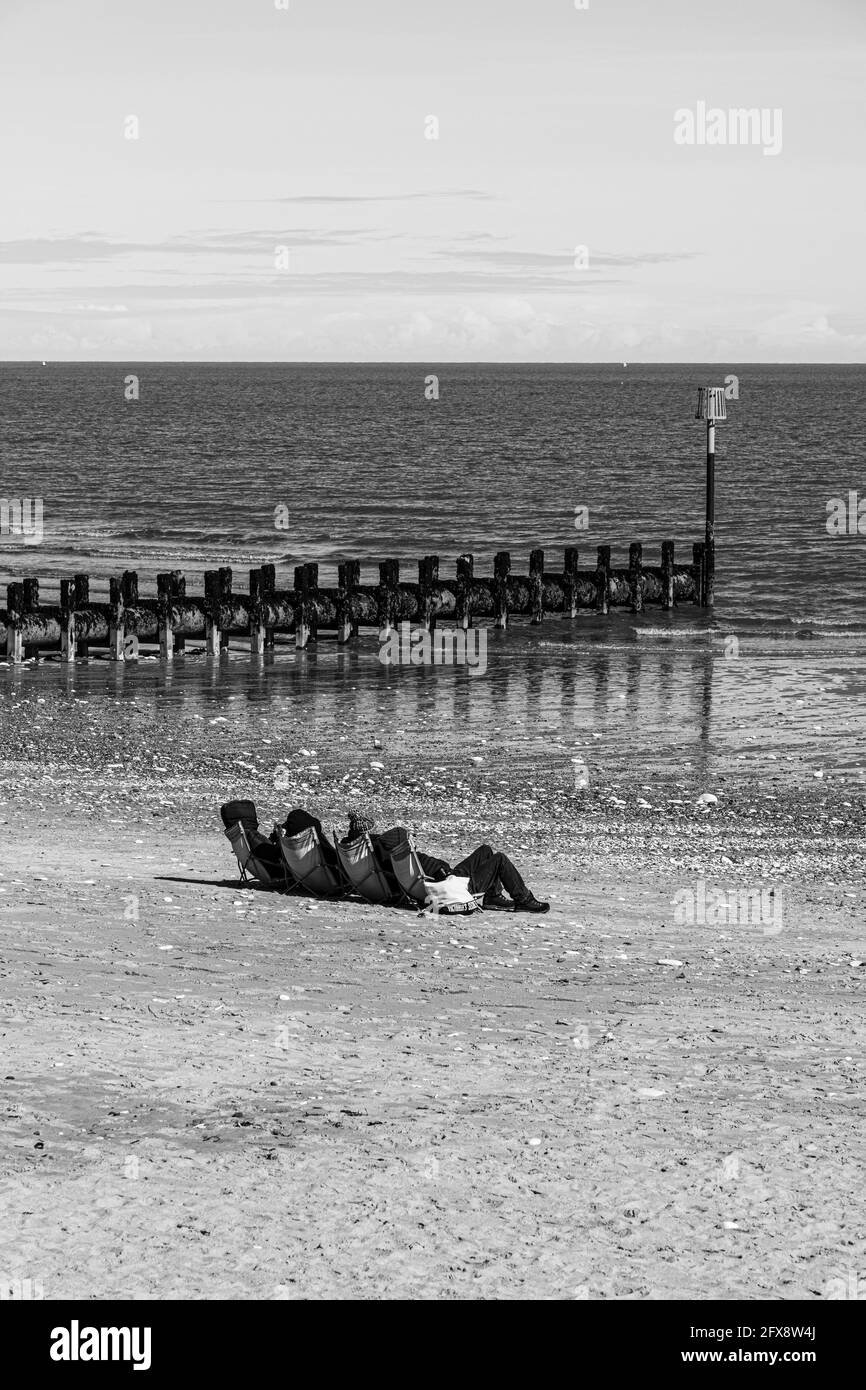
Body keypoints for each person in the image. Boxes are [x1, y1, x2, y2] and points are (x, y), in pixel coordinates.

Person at [341, 811, 550, 913]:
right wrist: (405, 835)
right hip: (447, 883)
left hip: (445, 875)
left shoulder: (366, 853)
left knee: (485, 850)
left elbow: (382, 839)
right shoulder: (381, 846)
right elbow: (395, 835)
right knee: (499, 859)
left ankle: (493, 896)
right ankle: (523, 899)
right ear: (367, 833)